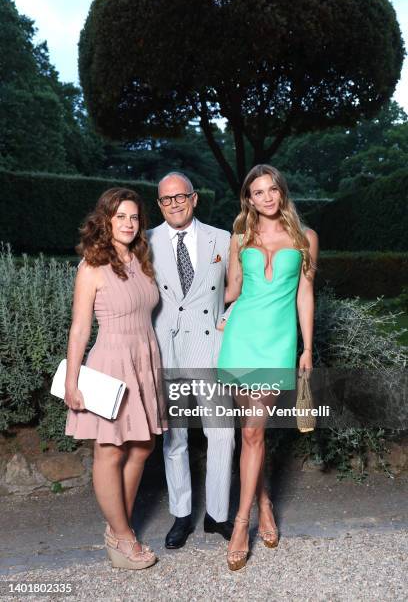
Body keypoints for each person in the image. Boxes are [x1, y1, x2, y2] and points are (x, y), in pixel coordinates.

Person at [217, 164, 319, 570]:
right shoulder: (240, 237)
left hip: (278, 344)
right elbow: (233, 291)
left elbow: (305, 294)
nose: (267, 197)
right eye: (258, 192)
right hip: (241, 339)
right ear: (249, 199)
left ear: (282, 192)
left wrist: (306, 349)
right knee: (252, 433)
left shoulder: (305, 237)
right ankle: (262, 504)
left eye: (272, 189)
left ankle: (242, 523)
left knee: (253, 432)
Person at [64, 187, 167, 570]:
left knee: (142, 446)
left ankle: (115, 530)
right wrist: (73, 381)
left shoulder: (141, 260)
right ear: (105, 220)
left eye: (134, 217)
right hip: (111, 360)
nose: (127, 223)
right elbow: (79, 329)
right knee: (109, 450)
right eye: (120, 216)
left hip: (144, 357)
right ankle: (123, 536)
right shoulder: (92, 265)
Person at [147, 171, 235, 549]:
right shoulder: (144, 241)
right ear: (159, 204)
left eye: (180, 197)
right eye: (166, 199)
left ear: (194, 198)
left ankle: (217, 515)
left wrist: (226, 319)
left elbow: (243, 289)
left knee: (222, 433)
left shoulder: (222, 238)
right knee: (174, 438)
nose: (174, 204)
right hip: (167, 350)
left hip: (208, 350)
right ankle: (182, 514)